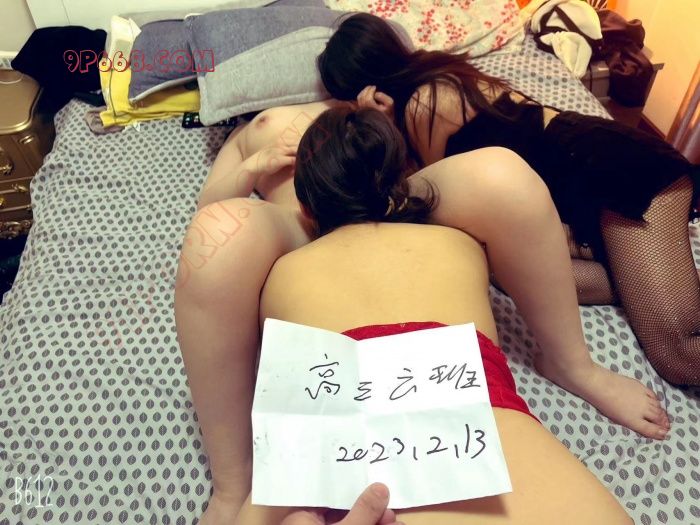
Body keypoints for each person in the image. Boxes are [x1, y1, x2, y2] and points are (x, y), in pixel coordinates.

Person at [175, 100, 667, 524]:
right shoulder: (246, 135)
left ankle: (572, 363)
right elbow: (209, 202)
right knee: (217, 234)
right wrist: (254, 164)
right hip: (302, 232)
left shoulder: (369, 104)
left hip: (385, 216)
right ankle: (231, 485)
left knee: (502, 171)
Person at [317, 12, 700, 387]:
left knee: (678, 356)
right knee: (505, 267)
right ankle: (638, 279)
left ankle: (645, 284)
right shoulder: (436, 76)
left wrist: (378, 124)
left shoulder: (424, 102)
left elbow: (431, 202)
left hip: (617, 169)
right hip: (578, 200)